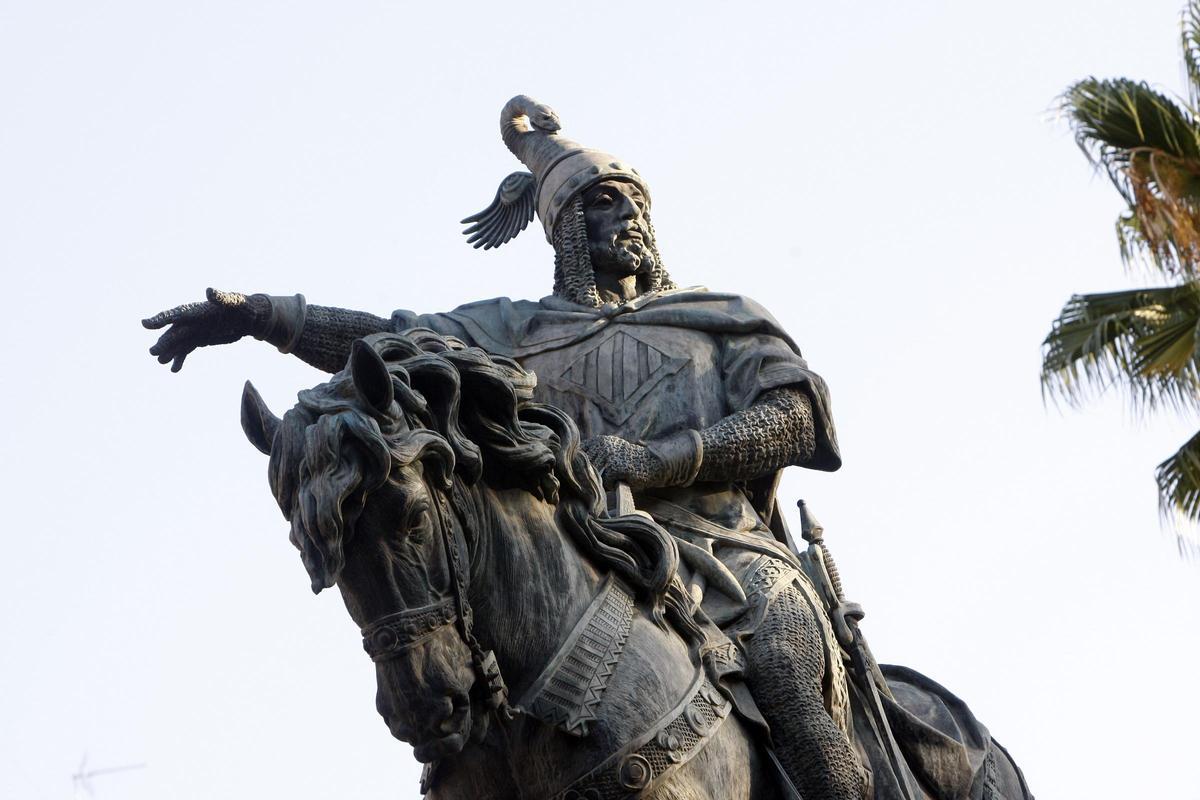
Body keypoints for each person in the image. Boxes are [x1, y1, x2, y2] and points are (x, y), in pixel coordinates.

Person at [144, 95, 867, 800]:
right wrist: (269, 318)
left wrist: (661, 460)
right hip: (583, 553)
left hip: (729, 556)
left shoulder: (717, 320)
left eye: (635, 205)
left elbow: (796, 418)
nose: (629, 219)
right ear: (566, 231)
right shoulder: (513, 335)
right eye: (604, 205)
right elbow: (388, 342)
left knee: (791, 687)